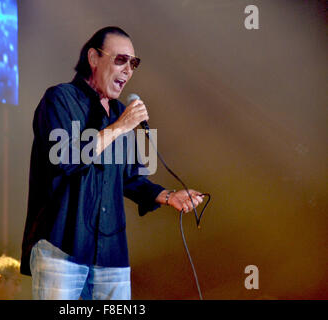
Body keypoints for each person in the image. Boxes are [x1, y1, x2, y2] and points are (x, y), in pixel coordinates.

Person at [21, 26, 204, 300]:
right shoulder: (59, 99)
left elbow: (130, 178)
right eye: (120, 60)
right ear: (93, 58)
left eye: (134, 63)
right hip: (62, 246)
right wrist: (120, 127)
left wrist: (168, 196)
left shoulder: (120, 113)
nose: (128, 70)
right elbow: (66, 158)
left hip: (111, 254)